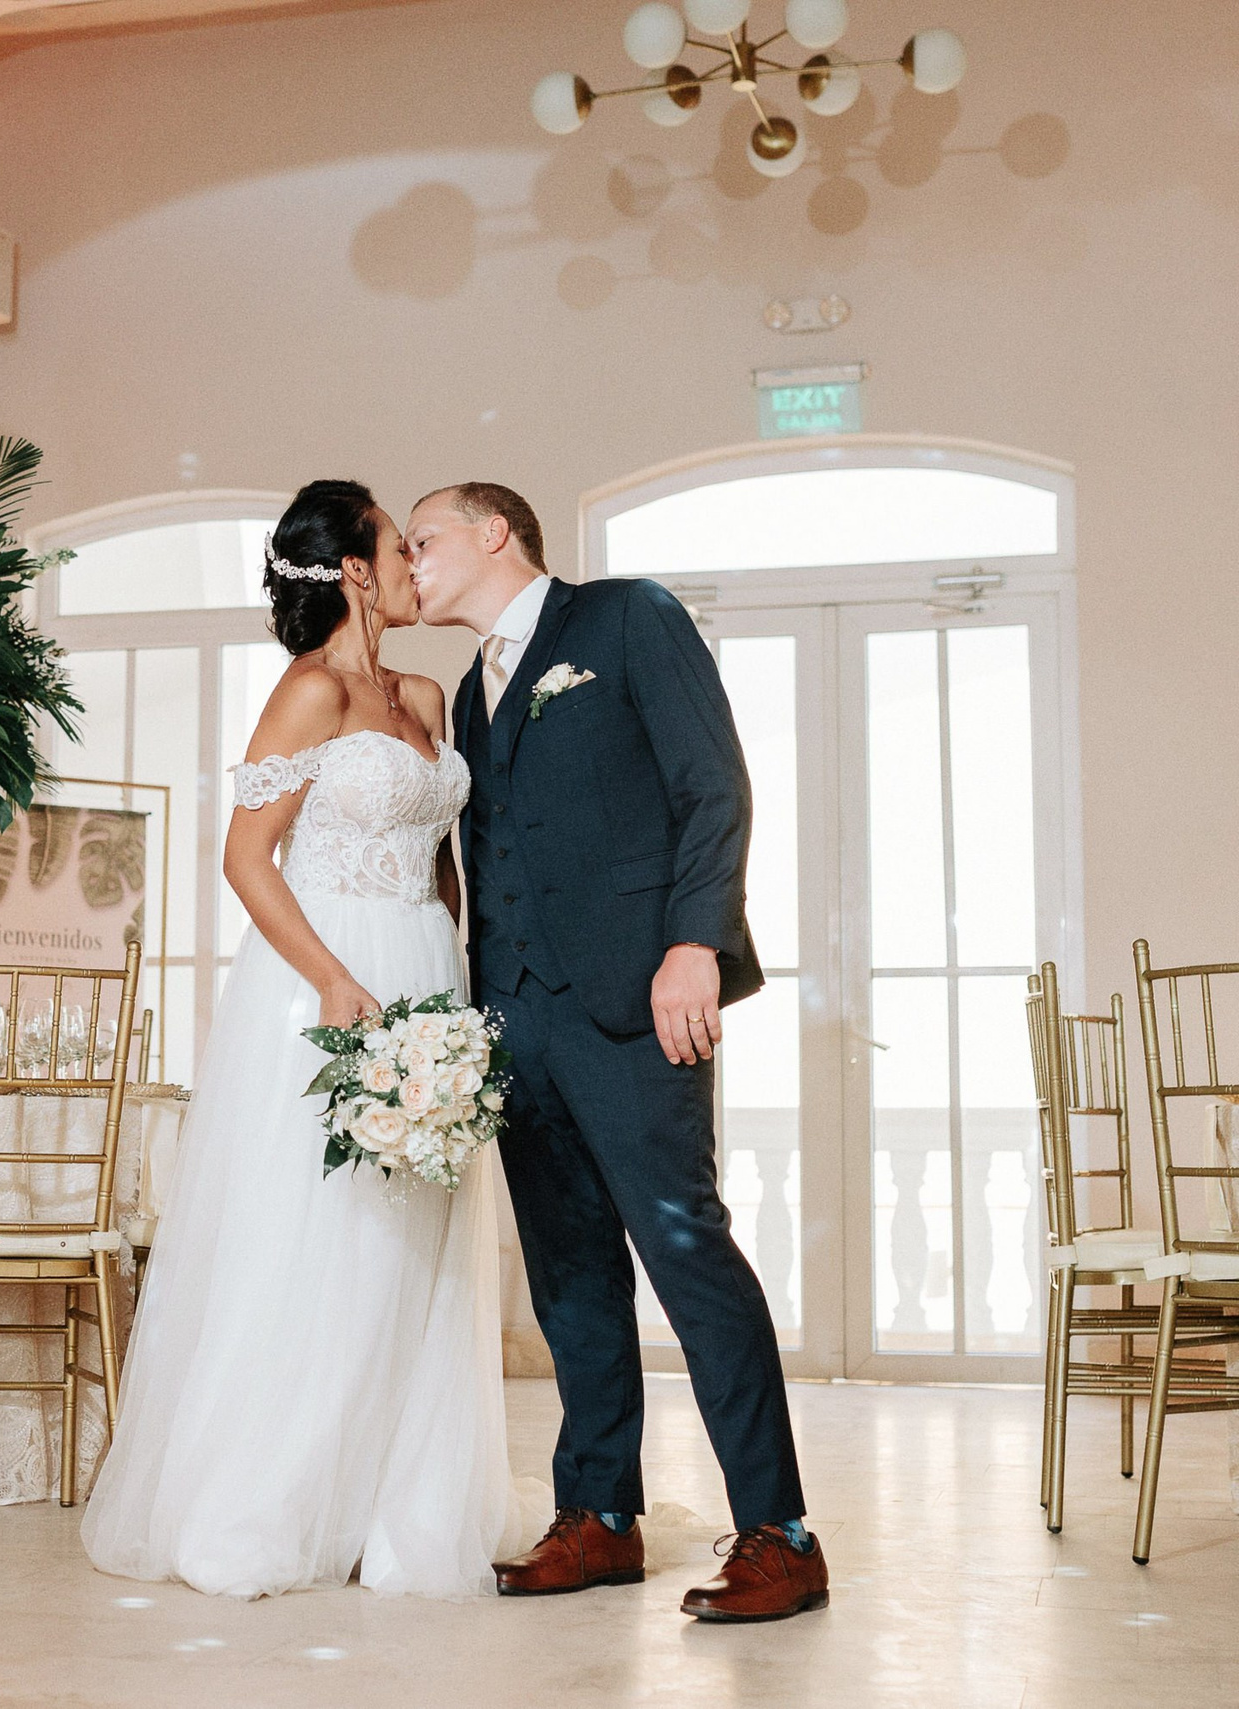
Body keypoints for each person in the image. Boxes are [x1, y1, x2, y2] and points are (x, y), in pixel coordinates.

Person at [80, 479, 529, 1599]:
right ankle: (271, 1501)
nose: (413, 562)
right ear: (353, 570)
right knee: (327, 1241)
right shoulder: (307, 691)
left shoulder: (424, 691)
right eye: (396, 541)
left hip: (426, 975)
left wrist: (456, 991)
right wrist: (334, 977)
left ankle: (400, 1508)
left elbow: (442, 858)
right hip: (330, 983)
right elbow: (245, 856)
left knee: (416, 1251)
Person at [404, 481, 826, 1623]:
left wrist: (694, 941)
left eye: (424, 537)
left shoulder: (628, 617)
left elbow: (711, 785)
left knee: (687, 1252)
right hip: (517, 1016)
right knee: (569, 1272)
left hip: (640, 1001)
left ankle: (779, 1533)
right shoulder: (467, 697)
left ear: (495, 533)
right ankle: (598, 1516)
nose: (408, 558)